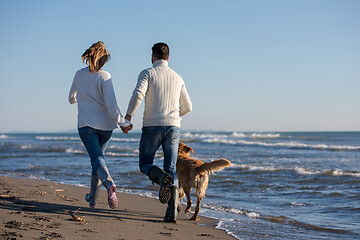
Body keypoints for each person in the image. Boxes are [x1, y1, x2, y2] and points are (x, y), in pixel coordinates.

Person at [121, 42, 192, 223]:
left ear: (153, 57)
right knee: (171, 169)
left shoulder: (148, 73)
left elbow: (138, 94)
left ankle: (162, 179)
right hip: (173, 127)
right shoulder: (178, 78)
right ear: (168, 58)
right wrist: (175, 115)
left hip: (152, 126)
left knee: (145, 164)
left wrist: (128, 117)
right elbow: (188, 107)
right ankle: (171, 214)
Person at [68, 41, 131, 209]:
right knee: (98, 160)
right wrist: (124, 122)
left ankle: (110, 184)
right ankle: (92, 199)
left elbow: (71, 98)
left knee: (97, 160)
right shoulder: (105, 76)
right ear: (104, 60)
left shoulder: (79, 75)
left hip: (86, 126)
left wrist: (82, 97)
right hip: (105, 127)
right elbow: (112, 107)